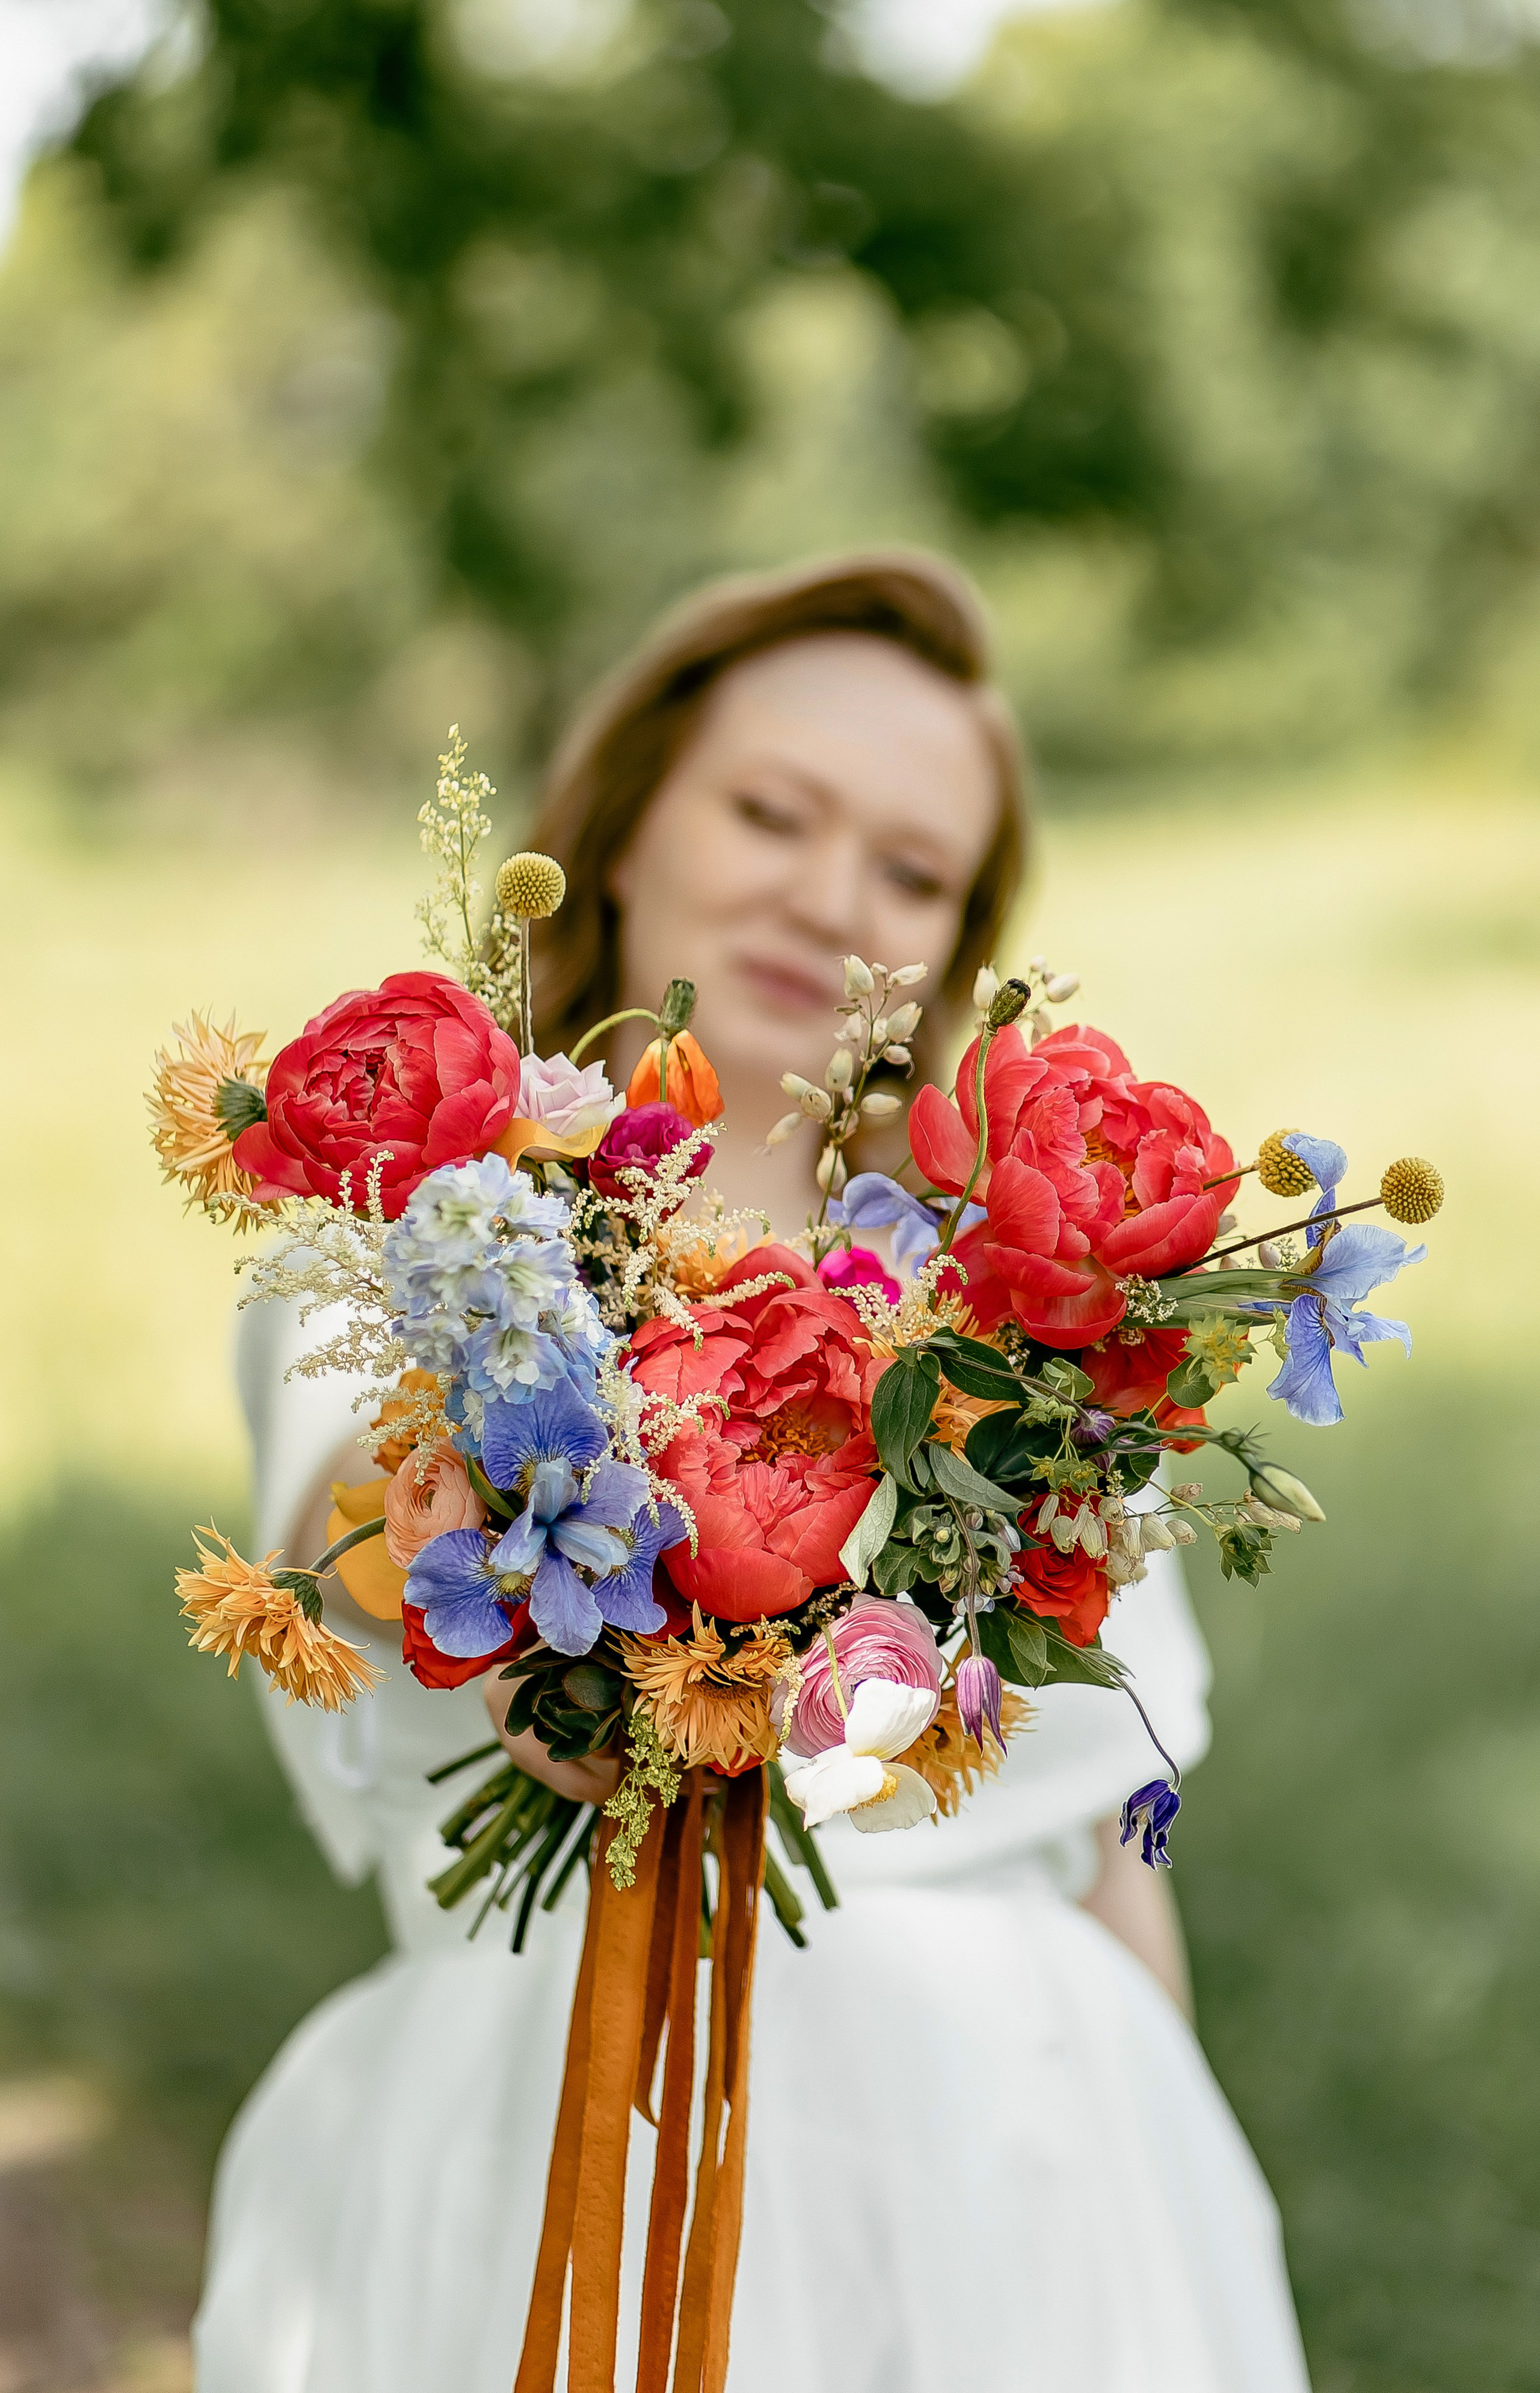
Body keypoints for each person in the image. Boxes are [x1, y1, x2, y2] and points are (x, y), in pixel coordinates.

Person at [195, 553, 1312, 2391]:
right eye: (773, 810)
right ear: (627, 821)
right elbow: (360, 1535)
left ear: (954, 947)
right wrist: (527, 1608)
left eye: (911, 871)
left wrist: (1169, 2204)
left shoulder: (1015, 1316)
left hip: (1014, 2156)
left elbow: (1112, 1831)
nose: (827, 895)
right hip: (566, 2108)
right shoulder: (434, 1231)